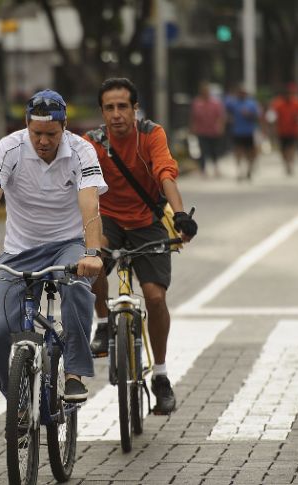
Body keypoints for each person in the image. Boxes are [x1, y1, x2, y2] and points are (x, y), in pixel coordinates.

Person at [0, 89, 107, 404]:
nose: (44, 141)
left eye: (51, 133)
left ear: (64, 128)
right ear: (26, 126)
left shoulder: (81, 151)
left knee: (78, 286)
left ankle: (73, 372)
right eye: (37, 133)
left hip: (68, 244)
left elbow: (90, 204)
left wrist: (91, 254)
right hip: (19, 251)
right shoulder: (8, 149)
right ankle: (19, 404)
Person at [83, 78, 198, 415]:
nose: (116, 115)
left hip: (147, 221)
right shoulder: (91, 142)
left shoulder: (151, 134)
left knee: (155, 297)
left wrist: (179, 214)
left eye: (123, 107)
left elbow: (166, 173)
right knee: (92, 258)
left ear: (134, 109)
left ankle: (160, 375)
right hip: (110, 221)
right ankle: (104, 323)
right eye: (109, 108)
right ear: (102, 112)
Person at [268, 82, 298, 176]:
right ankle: (286, 163)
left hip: (293, 130)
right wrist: (272, 129)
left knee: (291, 147)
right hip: (282, 131)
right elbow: (272, 117)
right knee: (283, 149)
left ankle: (290, 164)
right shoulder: (278, 103)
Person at [225, 83, 261, 181]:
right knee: (238, 152)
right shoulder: (233, 103)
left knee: (251, 153)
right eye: (240, 93)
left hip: (249, 132)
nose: (241, 94)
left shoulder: (252, 104)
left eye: (243, 93)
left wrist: (250, 114)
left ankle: (249, 169)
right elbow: (225, 106)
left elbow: (258, 116)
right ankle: (239, 170)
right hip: (237, 131)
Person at [189, 81, 226, 178]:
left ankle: (216, 167)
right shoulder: (197, 103)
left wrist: (220, 127)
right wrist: (193, 127)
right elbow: (193, 117)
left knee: (214, 150)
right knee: (202, 150)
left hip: (213, 130)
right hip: (201, 131)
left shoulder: (215, 103)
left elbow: (220, 116)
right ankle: (203, 169)